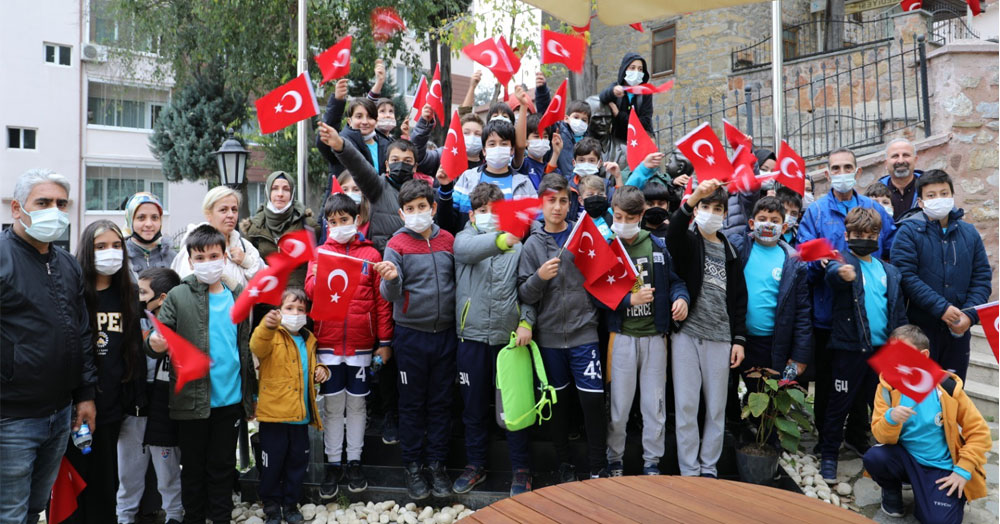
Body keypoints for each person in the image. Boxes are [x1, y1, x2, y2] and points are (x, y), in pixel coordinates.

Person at [0, 169, 96, 524]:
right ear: (16, 208)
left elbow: (82, 332)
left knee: (34, 507)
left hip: (60, 414)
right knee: (8, 512)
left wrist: (85, 395)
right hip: (12, 417)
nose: (53, 210)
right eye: (43, 202)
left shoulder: (67, 263)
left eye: (60, 204)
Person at [148, 225, 257, 524]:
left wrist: (249, 397)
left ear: (224, 257)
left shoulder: (237, 294)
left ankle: (220, 518)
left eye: (213, 255)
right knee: (193, 469)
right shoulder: (178, 296)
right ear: (191, 260)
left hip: (230, 399)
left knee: (222, 467)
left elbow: (243, 349)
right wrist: (154, 342)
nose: (207, 261)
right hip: (191, 401)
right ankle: (194, 518)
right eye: (200, 257)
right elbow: (157, 338)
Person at [798, 148, 895, 453]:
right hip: (828, 313)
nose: (842, 172)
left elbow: (890, 248)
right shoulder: (815, 212)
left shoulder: (872, 208)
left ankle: (857, 432)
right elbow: (804, 256)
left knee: (866, 380)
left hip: (867, 315)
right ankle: (828, 438)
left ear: (857, 171)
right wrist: (821, 264)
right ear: (827, 174)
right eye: (836, 168)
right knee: (828, 381)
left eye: (847, 167)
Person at [518, 173, 608, 482]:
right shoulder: (531, 245)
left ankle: (598, 465)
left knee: (593, 402)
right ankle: (564, 463)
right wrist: (539, 276)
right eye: (551, 201)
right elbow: (524, 295)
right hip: (550, 339)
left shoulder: (584, 235)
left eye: (563, 201)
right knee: (557, 406)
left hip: (585, 335)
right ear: (541, 203)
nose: (557, 207)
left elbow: (604, 279)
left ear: (571, 204)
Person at [304, 193, 392, 498]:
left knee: (356, 404)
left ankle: (354, 461)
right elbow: (310, 295)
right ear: (326, 224)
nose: (339, 225)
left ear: (357, 220)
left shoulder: (372, 256)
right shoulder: (320, 254)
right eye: (333, 222)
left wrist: (384, 341)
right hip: (327, 343)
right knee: (331, 406)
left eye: (345, 220)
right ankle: (332, 463)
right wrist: (317, 276)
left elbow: (382, 304)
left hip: (360, 345)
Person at [374, 180, 457, 500]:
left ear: (433, 208)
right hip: (410, 336)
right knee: (411, 405)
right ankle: (412, 467)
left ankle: (436, 465)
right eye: (410, 209)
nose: (417, 213)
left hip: (446, 335)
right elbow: (388, 293)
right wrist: (391, 280)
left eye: (422, 207)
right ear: (401, 213)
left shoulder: (449, 240)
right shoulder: (396, 244)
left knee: (441, 403)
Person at [452, 183, 536, 496]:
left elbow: (528, 288)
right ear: (472, 214)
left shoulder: (519, 247)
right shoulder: (464, 239)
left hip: (509, 341)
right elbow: (467, 251)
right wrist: (501, 239)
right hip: (471, 338)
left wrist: (527, 320)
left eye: (495, 211)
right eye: (483, 211)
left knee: (512, 409)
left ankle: (521, 470)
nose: (489, 216)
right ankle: (475, 466)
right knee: (473, 409)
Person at [863, 324, 992, 523]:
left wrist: (962, 470)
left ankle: (941, 495)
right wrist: (890, 418)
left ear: (923, 355)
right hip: (905, 458)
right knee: (874, 457)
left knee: (938, 521)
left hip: (939, 466)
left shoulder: (946, 387)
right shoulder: (887, 386)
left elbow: (979, 431)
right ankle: (892, 491)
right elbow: (881, 436)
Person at [604, 186, 689, 477]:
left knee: (655, 406)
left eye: (629, 217)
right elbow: (597, 294)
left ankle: (652, 462)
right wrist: (629, 300)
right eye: (617, 216)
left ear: (641, 216)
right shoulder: (608, 247)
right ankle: (614, 459)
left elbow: (676, 280)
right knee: (619, 407)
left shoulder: (657, 246)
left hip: (655, 337)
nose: (623, 222)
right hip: (622, 338)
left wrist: (681, 298)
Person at [818, 207, 908, 482]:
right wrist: (839, 273)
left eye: (870, 234)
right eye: (858, 234)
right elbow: (832, 273)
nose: (864, 238)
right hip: (849, 349)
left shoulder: (889, 271)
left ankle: (874, 450)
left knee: (879, 404)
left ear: (879, 236)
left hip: (884, 352)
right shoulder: (842, 261)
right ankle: (829, 455)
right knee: (839, 404)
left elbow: (898, 312)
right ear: (846, 235)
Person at [665, 179, 747, 478]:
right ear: (697, 209)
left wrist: (738, 340)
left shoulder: (731, 252)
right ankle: (689, 469)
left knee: (716, 408)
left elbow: (739, 300)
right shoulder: (688, 242)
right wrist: (692, 198)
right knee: (686, 406)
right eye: (705, 207)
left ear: (725, 214)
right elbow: (673, 233)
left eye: (717, 209)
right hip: (687, 336)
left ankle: (708, 468)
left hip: (721, 339)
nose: (711, 213)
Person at [62, 220, 142, 524]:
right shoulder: (73, 293)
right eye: (101, 246)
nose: (110, 253)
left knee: (106, 486)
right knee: (74, 487)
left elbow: (130, 347)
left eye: (116, 245)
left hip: (111, 406)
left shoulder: (128, 294)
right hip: (74, 406)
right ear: (87, 251)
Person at [890, 170, 993, 381]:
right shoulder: (908, 232)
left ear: (953, 196)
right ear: (920, 201)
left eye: (944, 193)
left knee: (952, 394)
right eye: (931, 195)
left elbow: (981, 278)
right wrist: (941, 308)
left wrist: (969, 315)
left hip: (958, 330)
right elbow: (906, 276)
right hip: (918, 330)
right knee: (918, 396)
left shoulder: (969, 233)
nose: (939, 199)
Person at [250, 288, 330, 524]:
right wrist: (267, 325)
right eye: (289, 308)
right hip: (274, 417)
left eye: (300, 309)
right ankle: (272, 505)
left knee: (297, 463)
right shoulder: (270, 334)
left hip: (301, 415)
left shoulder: (309, 338)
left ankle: (290, 503)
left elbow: (315, 364)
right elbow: (257, 345)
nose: (295, 313)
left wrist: (322, 371)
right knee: (272, 464)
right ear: (278, 311)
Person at [728, 197, 811, 398]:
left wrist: (800, 355)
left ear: (783, 228)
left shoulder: (794, 263)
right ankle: (734, 426)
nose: (768, 224)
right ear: (751, 223)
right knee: (727, 391)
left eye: (774, 221)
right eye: (762, 218)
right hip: (737, 338)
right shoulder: (737, 250)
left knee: (766, 396)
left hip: (772, 343)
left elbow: (803, 312)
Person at [120, 268, 183, 524]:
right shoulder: (131, 320)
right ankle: (124, 516)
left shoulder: (180, 324)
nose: (138, 297)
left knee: (167, 470)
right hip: (134, 405)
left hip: (162, 407)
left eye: (143, 292)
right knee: (128, 471)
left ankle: (175, 515)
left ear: (163, 297)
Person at [317, 122, 427, 254]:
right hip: (383, 262)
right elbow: (359, 167)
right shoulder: (377, 186)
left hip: (417, 259)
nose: (401, 164)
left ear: (415, 167)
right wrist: (341, 146)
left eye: (407, 161)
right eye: (395, 160)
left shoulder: (425, 192)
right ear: (387, 165)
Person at [171, 186, 265, 290]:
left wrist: (246, 261)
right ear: (208, 214)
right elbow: (189, 289)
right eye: (223, 210)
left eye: (234, 209)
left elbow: (265, 279)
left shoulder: (244, 245)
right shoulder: (195, 247)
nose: (231, 215)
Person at [242, 170, 319, 288]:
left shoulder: (308, 226)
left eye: (286, 189)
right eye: (275, 188)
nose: (280, 194)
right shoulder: (255, 228)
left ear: (292, 193)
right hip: (266, 301)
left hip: (297, 301)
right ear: (268, 192)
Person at [450, 118, 537, 220]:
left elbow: (535, 223)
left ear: (512, 150)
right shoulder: (467, 178)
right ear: (484, 150)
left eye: (504, 144)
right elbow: (451, 217)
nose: (498, 148)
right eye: (492, 144)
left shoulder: (524, 184)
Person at [599, 52, 654, 143]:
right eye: (632, 68)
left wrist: (619, 115)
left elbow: (644, 122)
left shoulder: (645, 93)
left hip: (638, 143)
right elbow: (602, 96)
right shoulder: (616, 88)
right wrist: (613, 92)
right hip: (618, 143)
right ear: (624, 69)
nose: (636, 72)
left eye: (640, 69)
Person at [124, 192, 176, 275]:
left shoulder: (173, 258)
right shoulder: (120, 257)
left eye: (154, 217)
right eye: (141, 218)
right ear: (130, 220)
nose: (149, 224)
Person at [879, 138, 922, 221]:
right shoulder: (875, 196)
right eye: (895, 156)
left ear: (915, 160)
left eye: (906, 155)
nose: (901, 161)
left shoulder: (929, 188)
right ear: (886, 164)